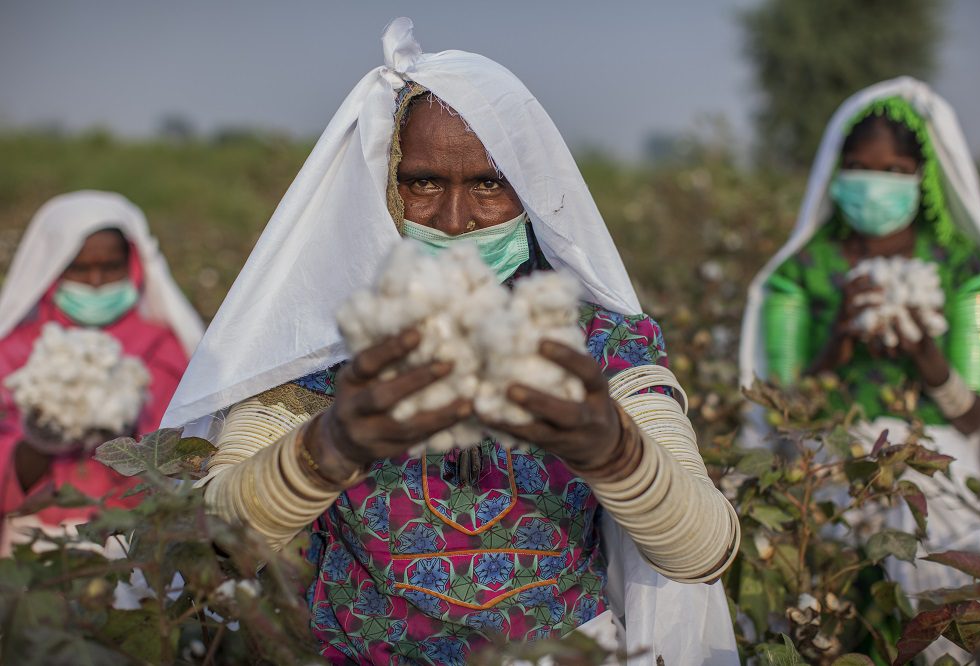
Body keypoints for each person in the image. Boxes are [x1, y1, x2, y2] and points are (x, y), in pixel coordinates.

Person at [163, 19, 739, 665]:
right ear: (379, 187)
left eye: (489, 185)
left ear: (533, 194)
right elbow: (213, 549)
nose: (456, 220)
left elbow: (703, 550)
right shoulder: (322, 349)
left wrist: (610, 448)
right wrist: (332, 445)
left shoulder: (602, 346)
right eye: (423, 183)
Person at [740, 78, 980, 597]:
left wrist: (926, 353)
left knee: (940, 584)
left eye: (895, 171)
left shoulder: (965, 270)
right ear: (836, 174)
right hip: (831, 464)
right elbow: (782, 409)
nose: (875, 183)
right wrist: (836, 342)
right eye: (859, 167)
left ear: (923, 178)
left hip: (933, 467)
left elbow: (972, 416)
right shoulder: (803, 272)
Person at [0, 191, 204, 549]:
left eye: (110, 268)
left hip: (135, 541)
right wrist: (38, 441)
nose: (95, 281)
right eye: (80, 268)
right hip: (35, 543)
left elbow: (184, 448)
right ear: (53, 268)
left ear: (133, 265)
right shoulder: (14, 351)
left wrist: (130, 429)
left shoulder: (164, 348)